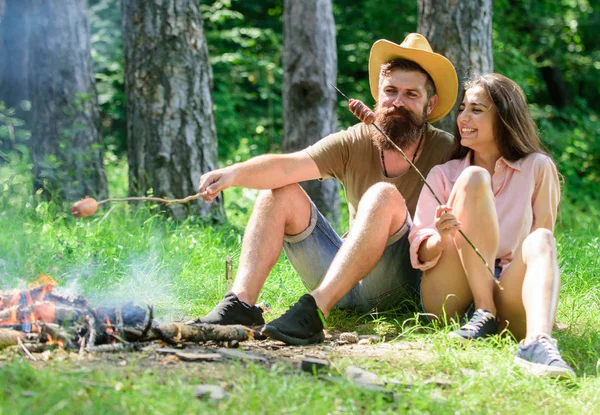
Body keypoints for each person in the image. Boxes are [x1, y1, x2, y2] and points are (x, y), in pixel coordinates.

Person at [190, 33, 458, 345]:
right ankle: (241, 304)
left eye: (411, 94)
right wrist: (233, 173)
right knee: (278, 191)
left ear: (431, 103)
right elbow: (290, 166)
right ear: (378, 95)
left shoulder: (447, 150)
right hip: (344, 278)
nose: (398, 102)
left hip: (399, 284)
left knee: (383, 195)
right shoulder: (356, 139)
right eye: (391, 91)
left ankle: (315, 310)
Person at [409, 73, 576, 378]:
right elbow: (421, 247)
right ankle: (483, 312)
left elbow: (541, 248)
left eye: (476, 109)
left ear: (505, 116)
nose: (463, 117)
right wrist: (443, 237)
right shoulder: (444, 175)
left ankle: (538, 342)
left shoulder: (538, 167)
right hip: (450, 292)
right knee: (474, 178)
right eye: (462, 108)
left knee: (541, 238)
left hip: (508, 289)